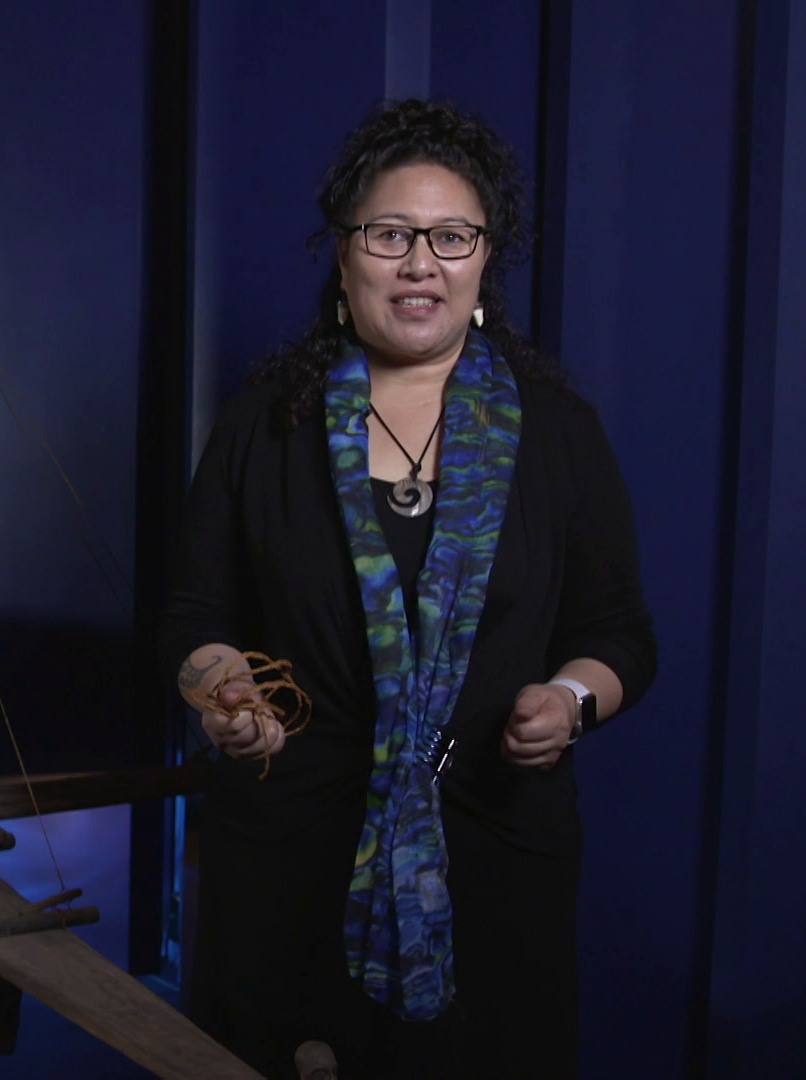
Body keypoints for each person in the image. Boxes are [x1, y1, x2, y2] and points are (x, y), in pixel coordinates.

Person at [160, 99, 656, 1080]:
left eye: (451, 236)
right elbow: (192, 617)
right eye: (390, 234)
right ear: (343, 256)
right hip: (289, 856)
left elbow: (622, 635)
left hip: (497, 855)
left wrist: (570, 700)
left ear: (483, 260)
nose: (420, 261)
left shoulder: (559, 432)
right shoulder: (267, 425)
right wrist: (224, 691)